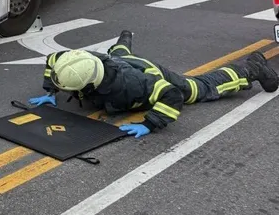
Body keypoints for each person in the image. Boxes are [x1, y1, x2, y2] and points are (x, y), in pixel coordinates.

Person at [30, 30, 279, 138]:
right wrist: (50, 91)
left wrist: (151, 123)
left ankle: (251, 68)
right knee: (120, 54)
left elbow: (172, 96)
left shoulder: (133, 85)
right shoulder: (79, 60)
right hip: (117, 62)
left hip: (152, 74)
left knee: (198, 89)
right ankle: (125, 37)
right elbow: (54, 59)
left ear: (87, 86)